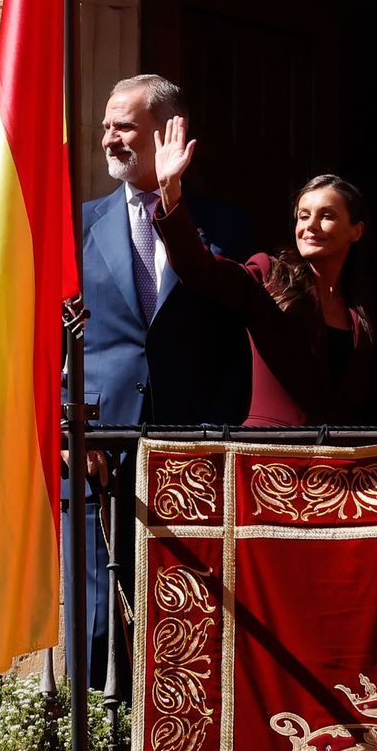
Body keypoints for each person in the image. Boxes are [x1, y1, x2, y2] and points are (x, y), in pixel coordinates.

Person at [72, 73, 252, 689]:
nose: (109, 139)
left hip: (193, 450)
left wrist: (221, 430)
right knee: (98, 618)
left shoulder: (225, 227)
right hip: (101, 452)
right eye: (106, 127)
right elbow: (49, 333)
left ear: (168, 132)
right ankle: (101, 726)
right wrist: (76, 425)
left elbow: (238, 339)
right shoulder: (78, 224)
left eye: (124, 126)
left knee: (192, 615)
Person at [151, 115, 377, 425]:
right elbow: (200, 270)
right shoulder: (270, 275)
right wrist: (170, 191)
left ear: (356, 231)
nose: (310, 225)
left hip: (333, 454)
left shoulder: (360, 308)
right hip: (268, 450)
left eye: (326, 216)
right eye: (303, 216)